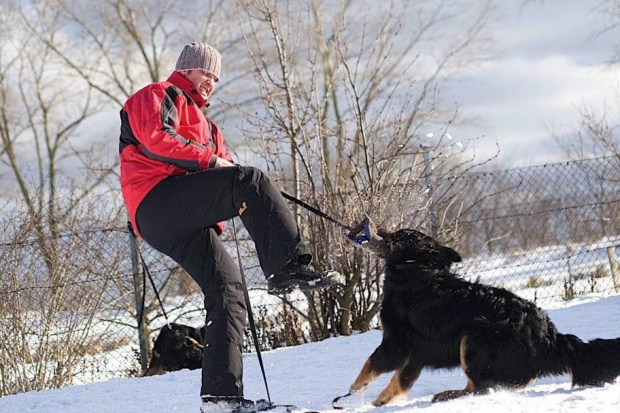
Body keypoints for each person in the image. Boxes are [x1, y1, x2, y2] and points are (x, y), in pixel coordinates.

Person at [119, 42, 338, 412]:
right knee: (250, 179)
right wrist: (219, 166)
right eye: (206, 73)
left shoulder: (211, 128)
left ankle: (222, 397)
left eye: (216, 77)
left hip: (186, 216)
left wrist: (236, 190)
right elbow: (157, 141)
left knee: (229, 290)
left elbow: (228, 173)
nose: (211, 82)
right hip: (156, 200)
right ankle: (288, 267)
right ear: (187, 69)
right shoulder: (158, 94)